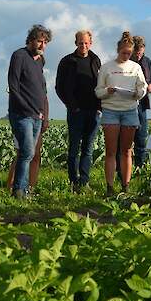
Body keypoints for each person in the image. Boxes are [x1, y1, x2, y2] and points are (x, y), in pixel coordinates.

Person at [96, 32, 147, 195]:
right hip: (110, 110)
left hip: (130, 110)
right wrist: (107, 91)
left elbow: (142, 87)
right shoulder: (106, 68)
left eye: (129, 53)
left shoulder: (135, 67)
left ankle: (126, 186)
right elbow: (98, 91)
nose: (126, 55)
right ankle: (110, 187)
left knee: (126, 150)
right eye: (124, 52)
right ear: (118, 50)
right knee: (111, 150)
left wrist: (138, 93)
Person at [55, 29, 102, 192]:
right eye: (80, 42)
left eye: (86, 43)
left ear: (91, 43)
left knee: (88, 148)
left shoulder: (96, 60)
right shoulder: (67, 61)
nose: (83, 45)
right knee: (74, 148)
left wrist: (99, 107)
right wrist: (71, 105)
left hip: (93, 111)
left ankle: (84, 180)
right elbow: (59, 87)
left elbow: (101, 84)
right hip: (76, 111)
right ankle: (73, 181)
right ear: (76, 43)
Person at [8, 25, 51, 198]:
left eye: (45, 42)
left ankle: (23, 189)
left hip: (37, 116)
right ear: (31, 40)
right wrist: (27, 108)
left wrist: (45, 115)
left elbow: (42, 89)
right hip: (22, 114)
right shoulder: (19, 56)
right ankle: (18, 190)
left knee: (30, 153)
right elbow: (13, 86)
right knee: (26, 152)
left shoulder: (40, 60)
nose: (42, 45)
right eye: (39, 41)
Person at [131, 36, 151, 166]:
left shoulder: (147, 62)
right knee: (127, 139)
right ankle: (124, 170)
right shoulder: (127, 62)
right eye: (136, 52)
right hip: (129, 104)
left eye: (140, 52)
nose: (138, 55)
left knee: (141, 137)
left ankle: (140, 167)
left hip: (142, 105)